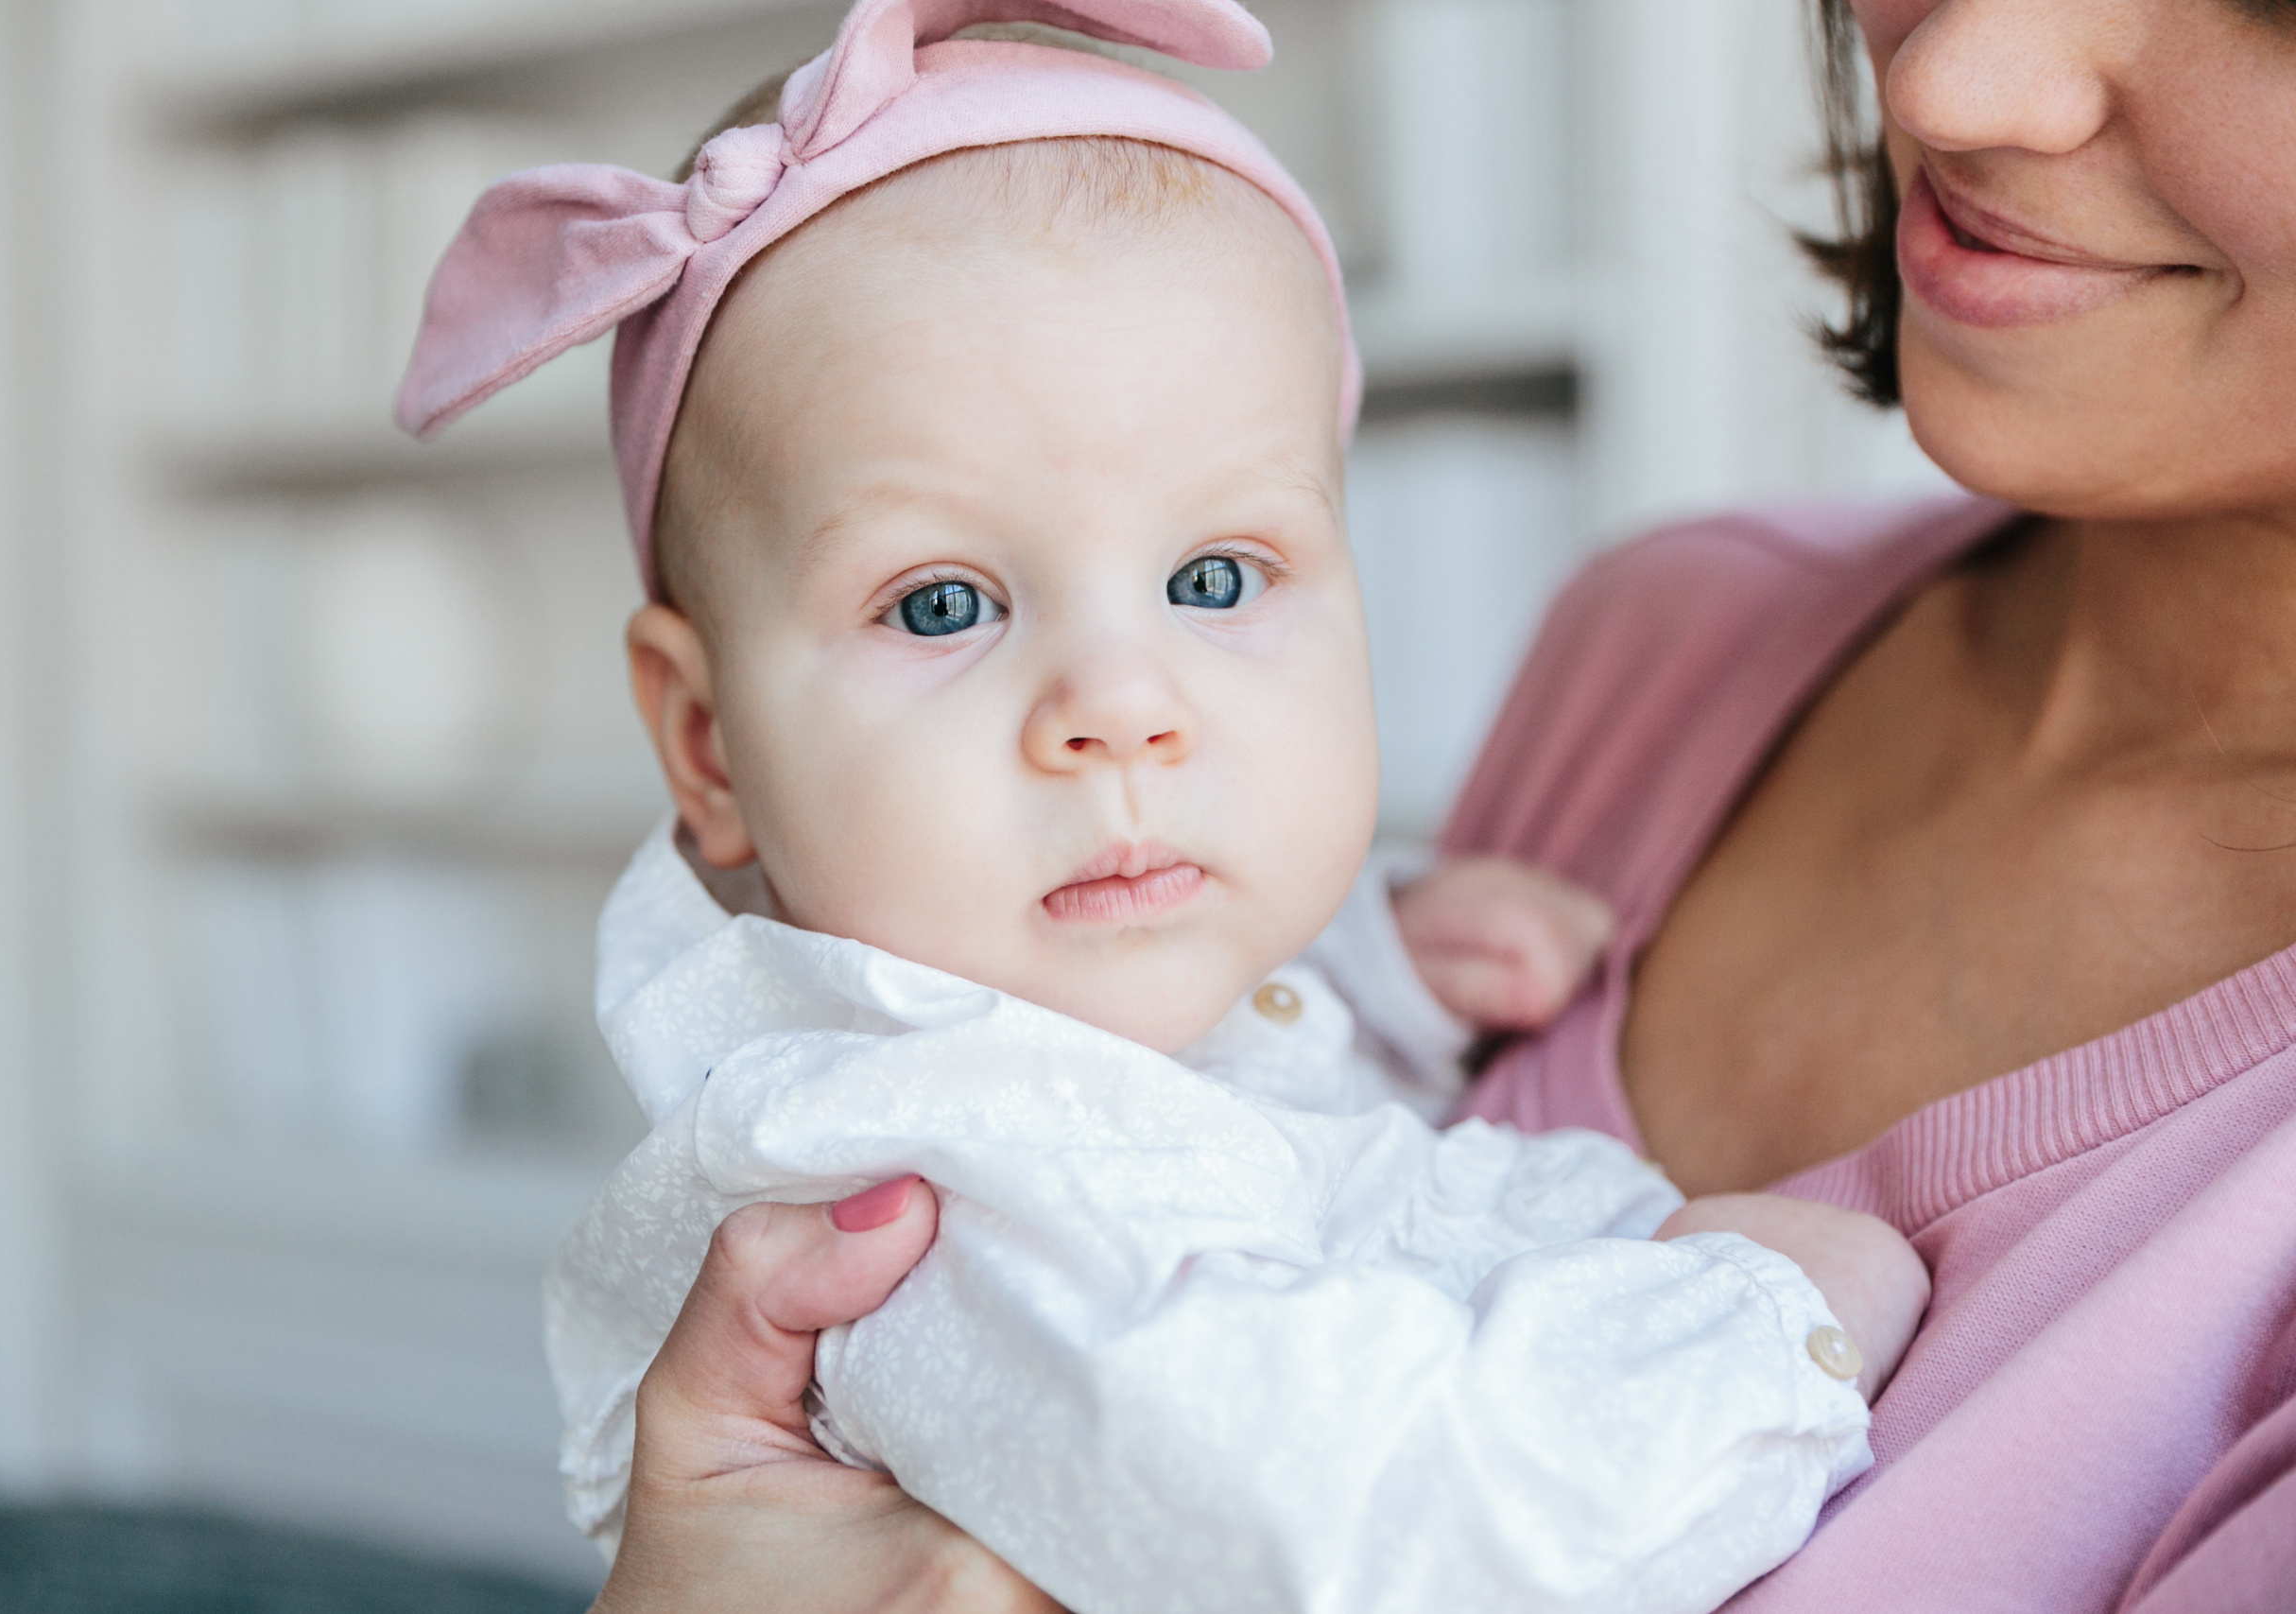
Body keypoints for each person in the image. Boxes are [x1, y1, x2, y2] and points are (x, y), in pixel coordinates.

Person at [578, 0, 2296, 1607]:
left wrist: (1356, 967)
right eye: (943, 606)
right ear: (707, 742)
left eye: (1216, 575)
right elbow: (1386, 1510)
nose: (1123, 716)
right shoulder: (923, 1175)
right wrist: (1773, 1323)